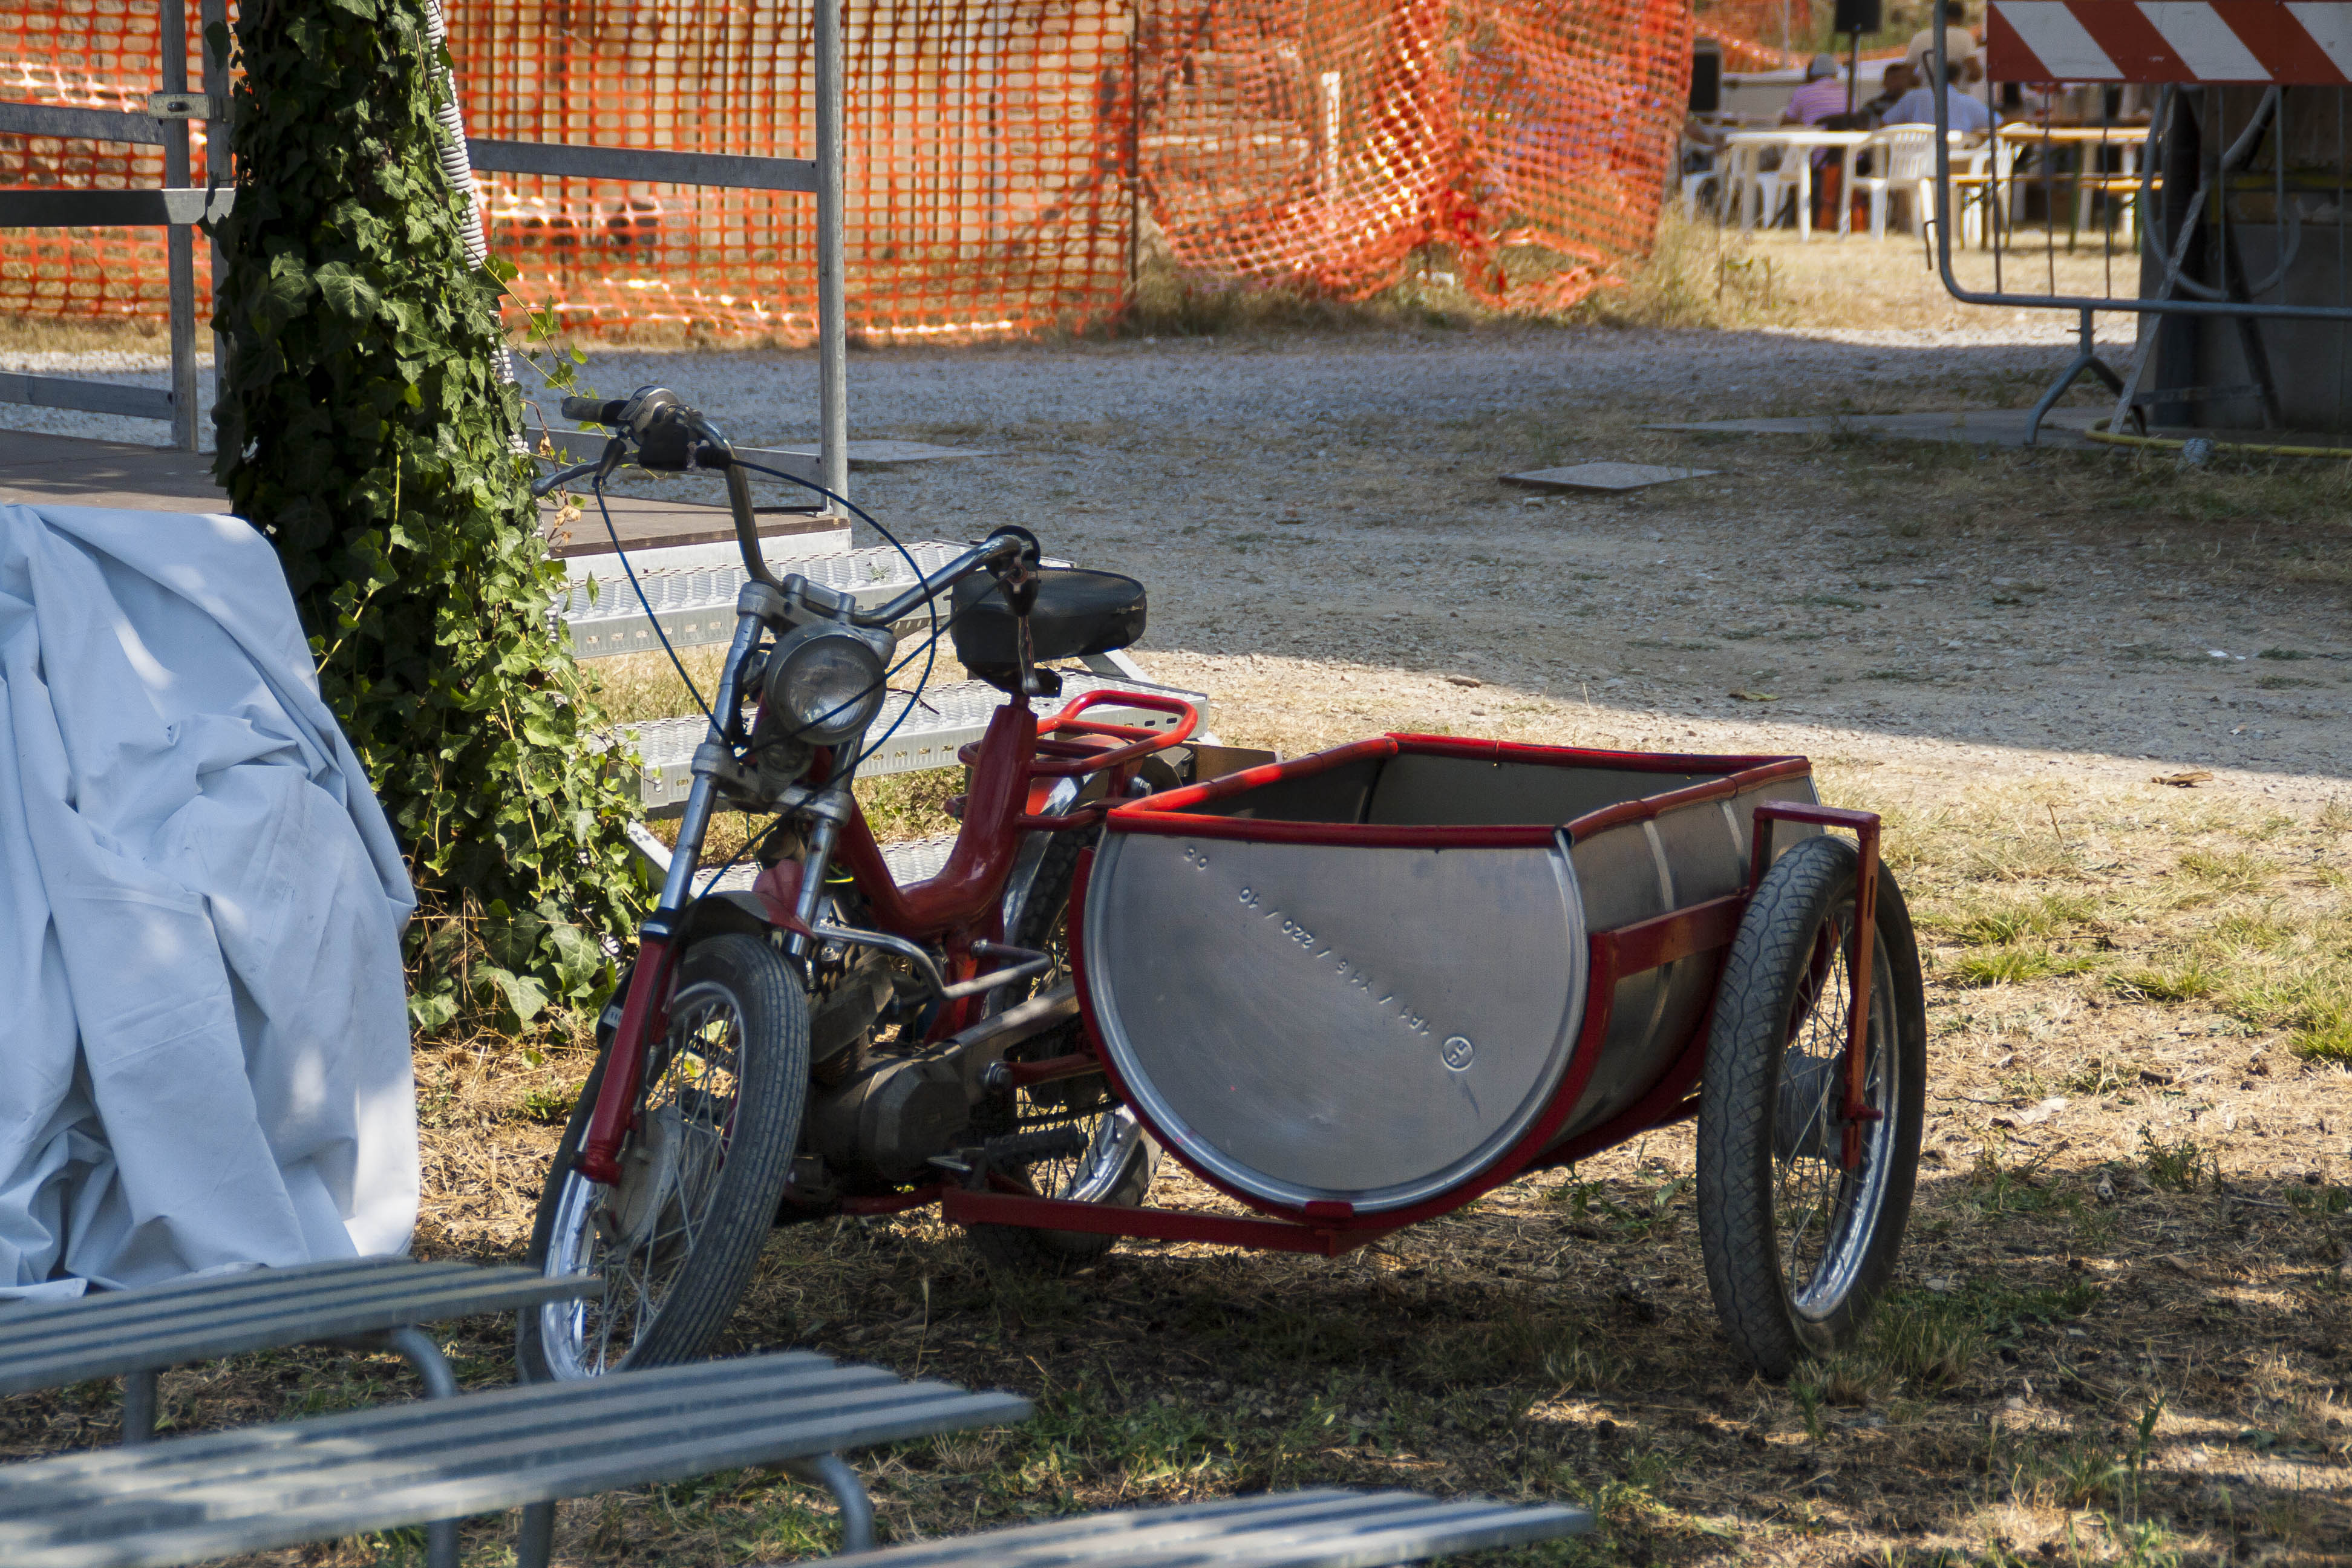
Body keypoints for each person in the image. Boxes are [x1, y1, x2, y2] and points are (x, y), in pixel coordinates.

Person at [1882, 63, 1995, 134]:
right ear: (1958, 79)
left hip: (1917, 162)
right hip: (1958, 161)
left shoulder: (1913, 96)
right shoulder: (1967, 101)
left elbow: (1884, 124)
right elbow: (1998, 123)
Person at [1906, 1, 1979, 79]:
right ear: (1961, 17)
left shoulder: (1919, 37)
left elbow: (1907, 72)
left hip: (1925, 89)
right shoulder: (1965, 36)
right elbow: (1975, 72)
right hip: (1955, 90)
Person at [1782, 53, 1847, 127]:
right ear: (1835, 74)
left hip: (1813, 137)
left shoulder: (1803, 92)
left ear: (1810, 73)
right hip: (1841, 137)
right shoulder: (1847, 93)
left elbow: (1786, 122)